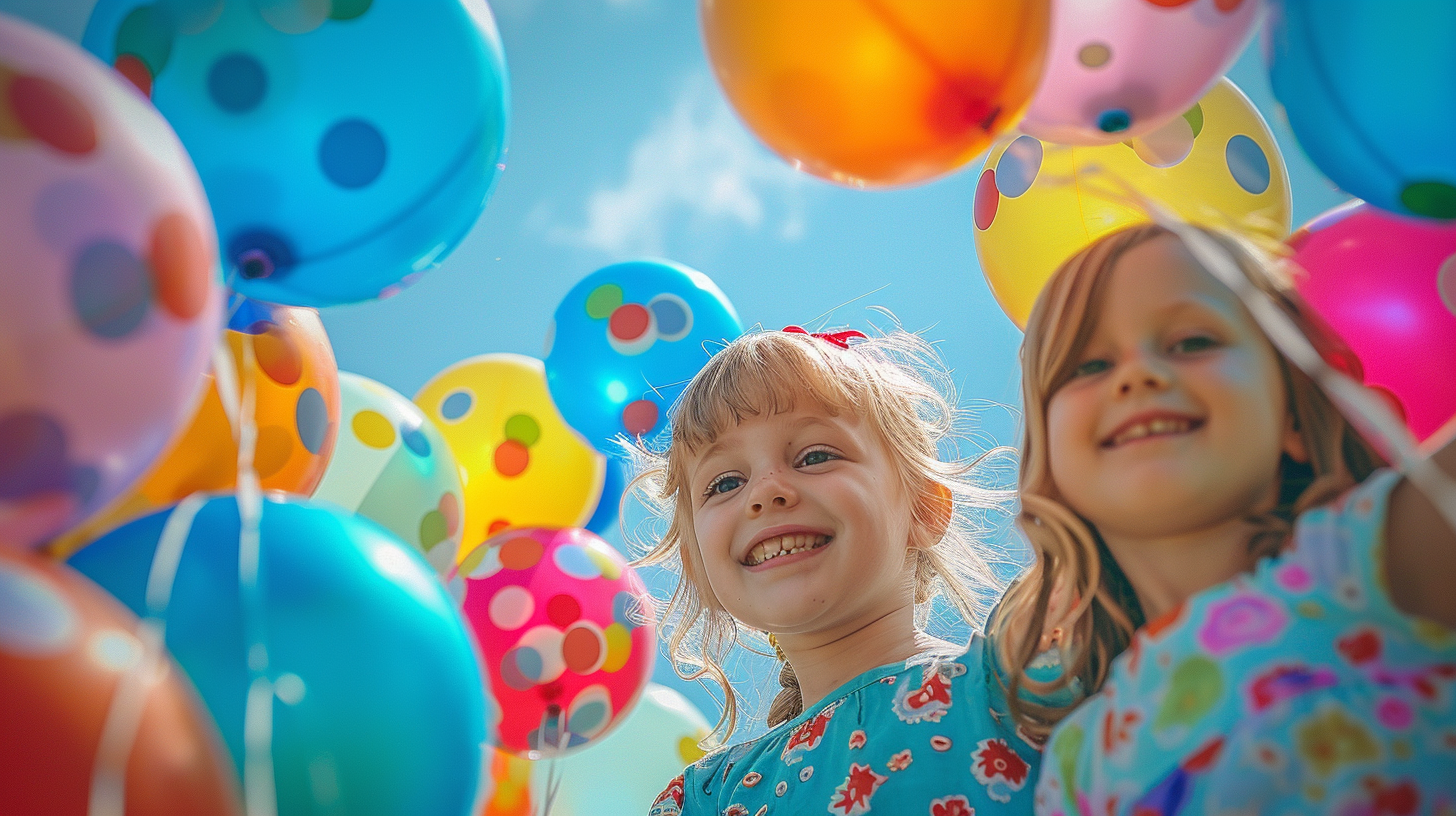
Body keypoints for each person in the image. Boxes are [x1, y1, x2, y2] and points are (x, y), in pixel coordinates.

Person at [991, 222, 1456, 815]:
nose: (1137, 375)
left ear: (1291, 413)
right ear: (1052, 464)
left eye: (1192, 342)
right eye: (1088, 366)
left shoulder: (1363, 563)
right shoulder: (1076, 760)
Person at [636, 325, 1046, 815]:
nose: (766, 491)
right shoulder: (704, 801)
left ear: (923, 509)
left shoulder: (1020, 682)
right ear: (698, 562)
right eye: (725, 483)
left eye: (814, 456)